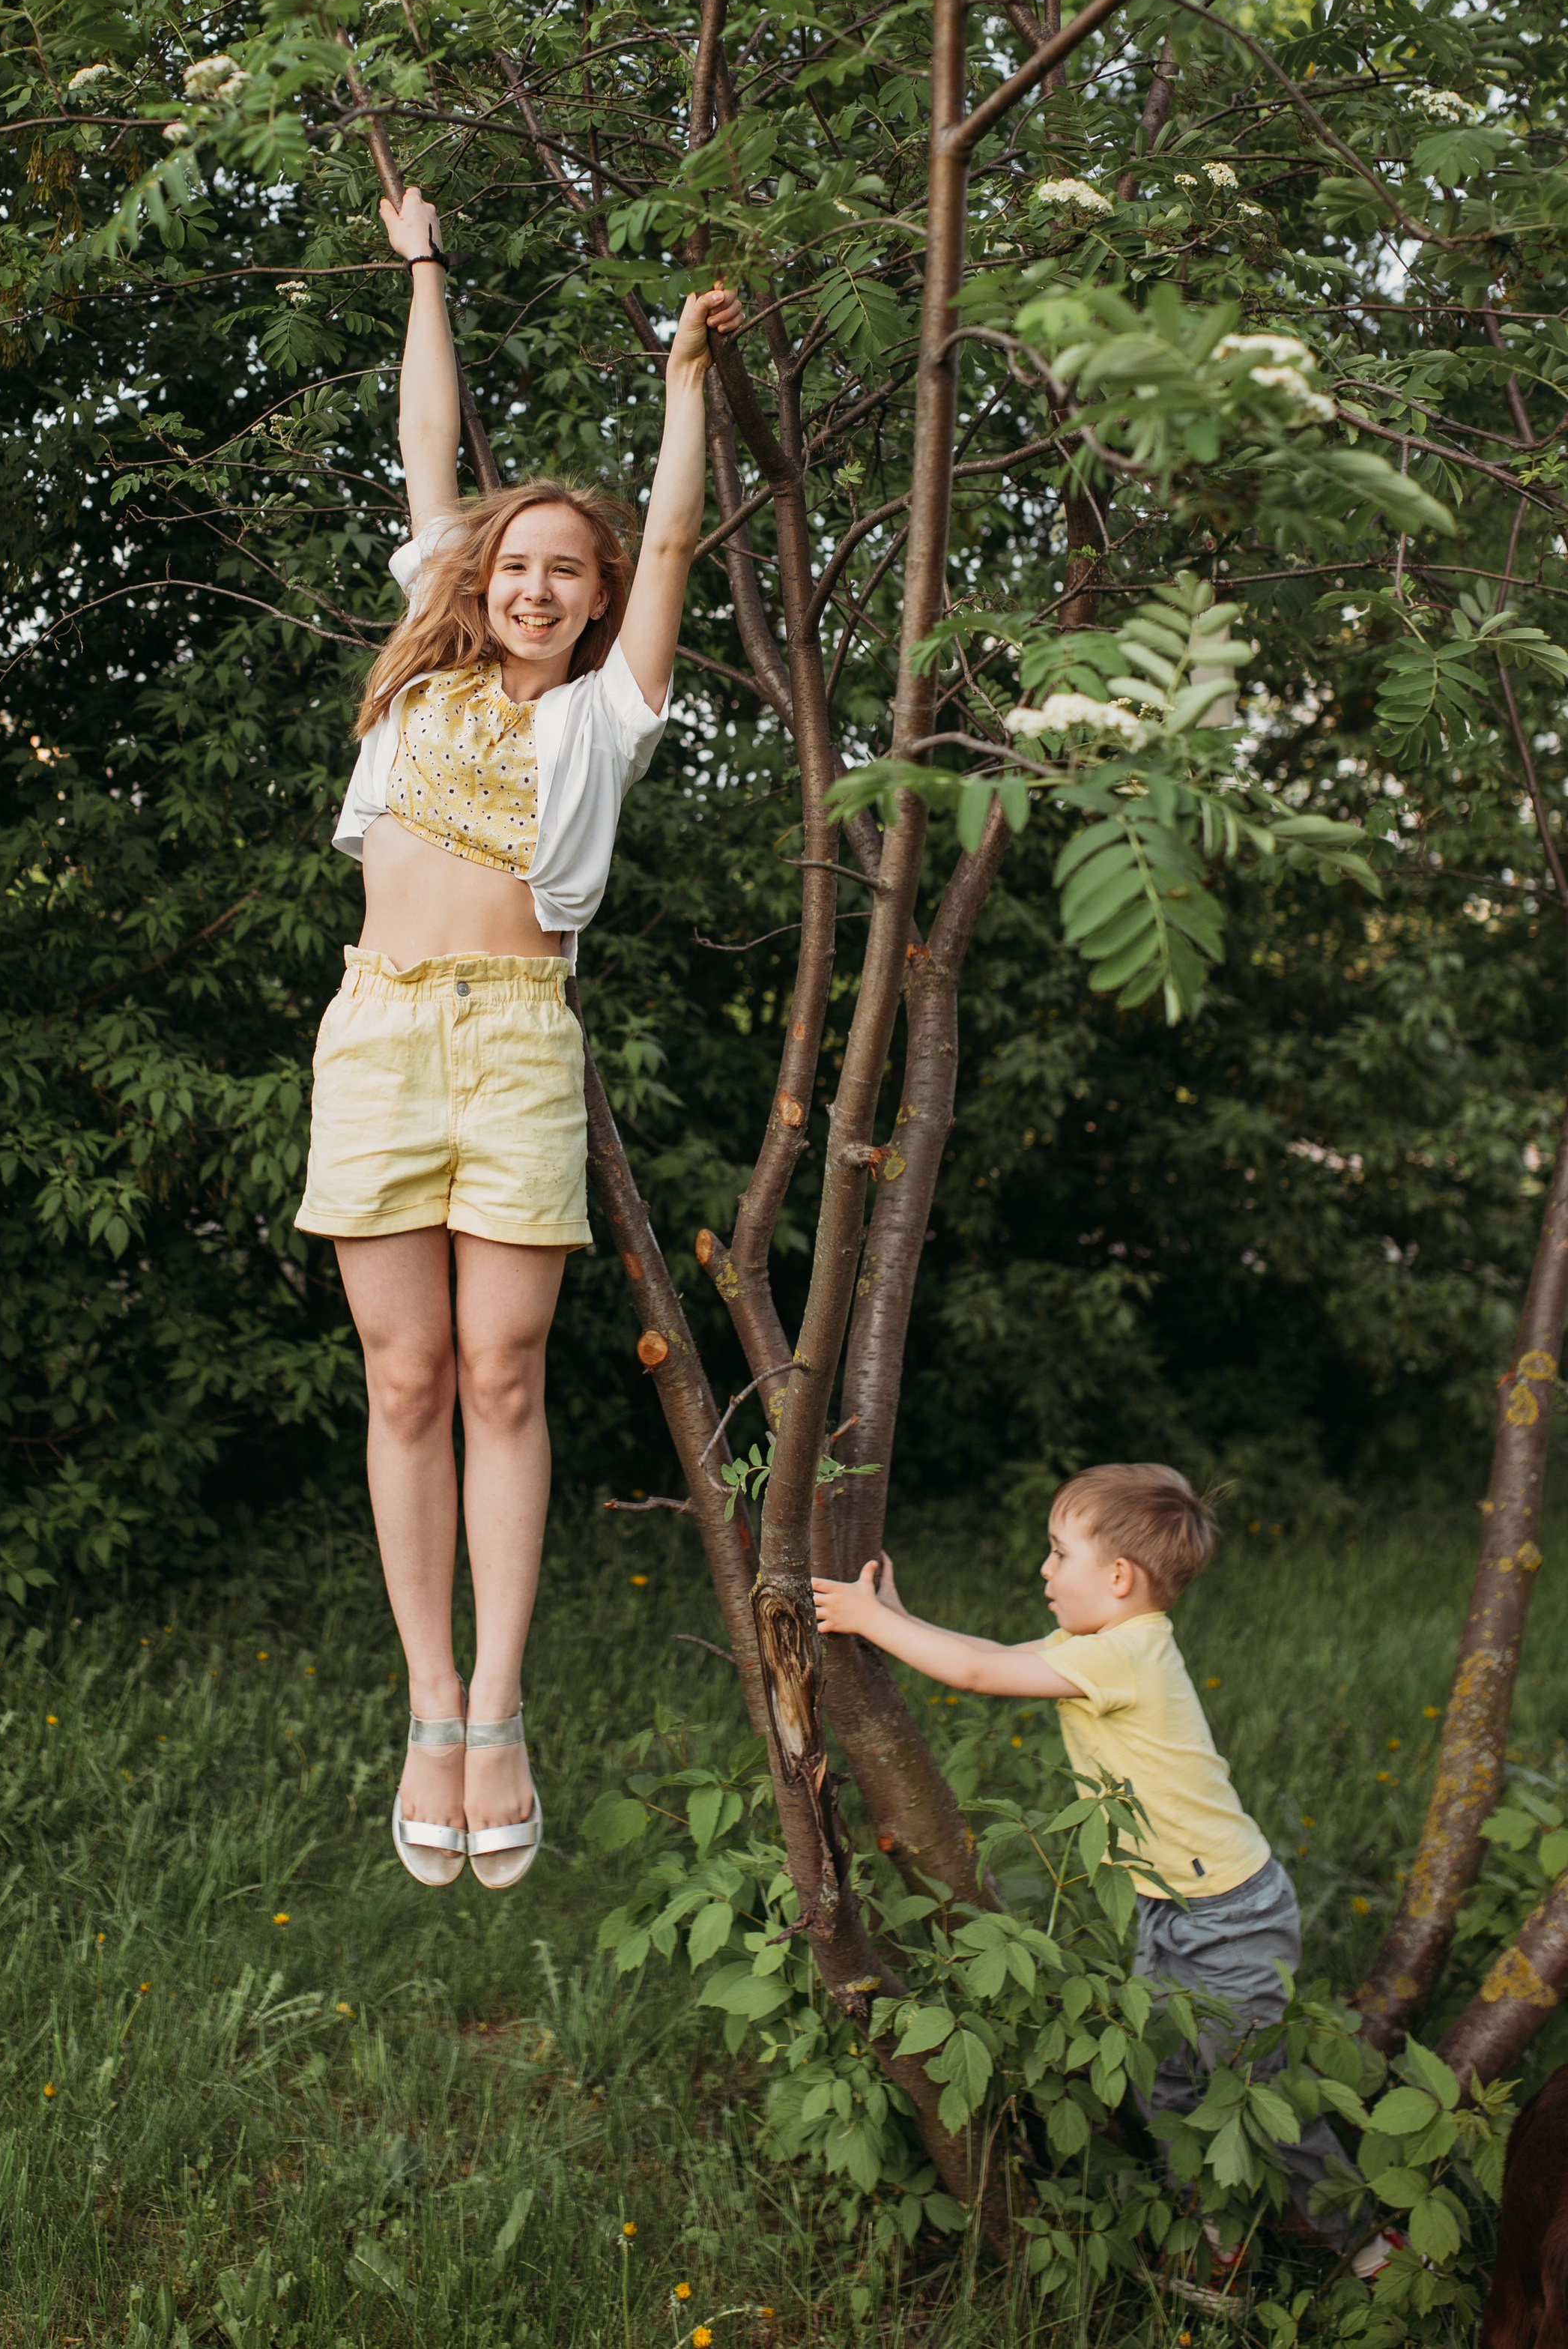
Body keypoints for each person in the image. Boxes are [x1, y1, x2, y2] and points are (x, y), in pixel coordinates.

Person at [295, 184, 742, 1892]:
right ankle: (425, 1707)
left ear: (594, 596)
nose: (541, 583)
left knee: (497, 1371)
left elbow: (679, 543)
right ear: (476, 574)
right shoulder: (418, 677)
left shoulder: (606, 717)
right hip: (378, 1030)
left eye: (572, 568)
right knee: (401, 1377)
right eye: (519, 561)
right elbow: (428, 439)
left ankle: (499, 1706)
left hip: (512, 1039)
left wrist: (684, 387)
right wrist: (421, 259)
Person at [814, 1463, 1372, 2265]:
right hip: (1166, 1906)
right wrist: (898, 1618)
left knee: (1256, 2089)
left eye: (1057, 1553)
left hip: (1229, 1916)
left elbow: (979, 1674)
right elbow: (994, 1655)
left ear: (1116, 1577)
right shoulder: (1102, 1643)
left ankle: (1366, 2243)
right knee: (1165, 2080)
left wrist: (870, 1621)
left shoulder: (1126, 1657)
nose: (1043, 1570)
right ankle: (1212, 2227)